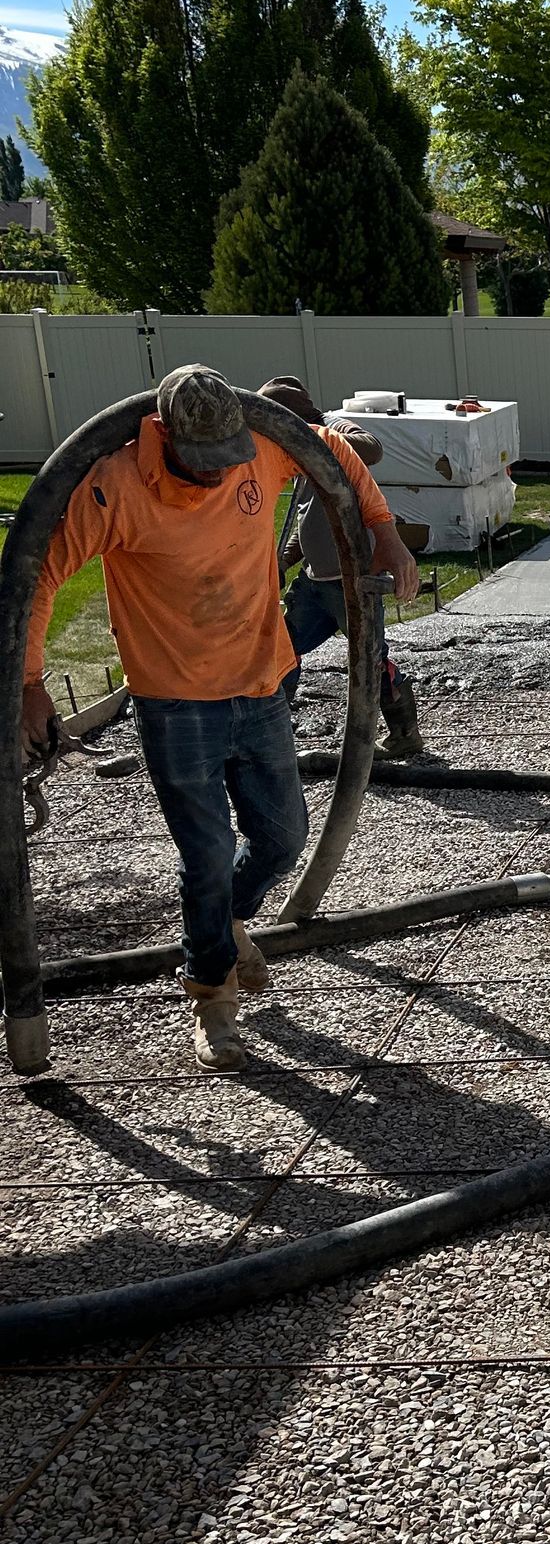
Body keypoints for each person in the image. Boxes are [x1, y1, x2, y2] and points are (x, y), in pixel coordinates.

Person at [18, 364, 412, 1073]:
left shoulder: (260, 443)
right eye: (199, 464)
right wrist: (27, 683)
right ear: (160, 436)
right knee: (203, 857)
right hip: (175, 704)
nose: (213, 476)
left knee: (282, 839)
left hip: (259, 687)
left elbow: (335, 453)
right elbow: (37, 569)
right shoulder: (114, 485)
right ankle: (213, 997)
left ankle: (225, 926)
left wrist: (382, 531)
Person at [261, 376, 426, 759]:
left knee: (370, 660)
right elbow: (307, 522)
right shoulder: (299, 460)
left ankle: (404, 733)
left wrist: (312, 436)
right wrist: (284, 561)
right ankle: (272, 736)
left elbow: (372, 448)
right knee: (280, 648)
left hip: (353, 580)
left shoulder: (332, 428)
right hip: (315, 583)